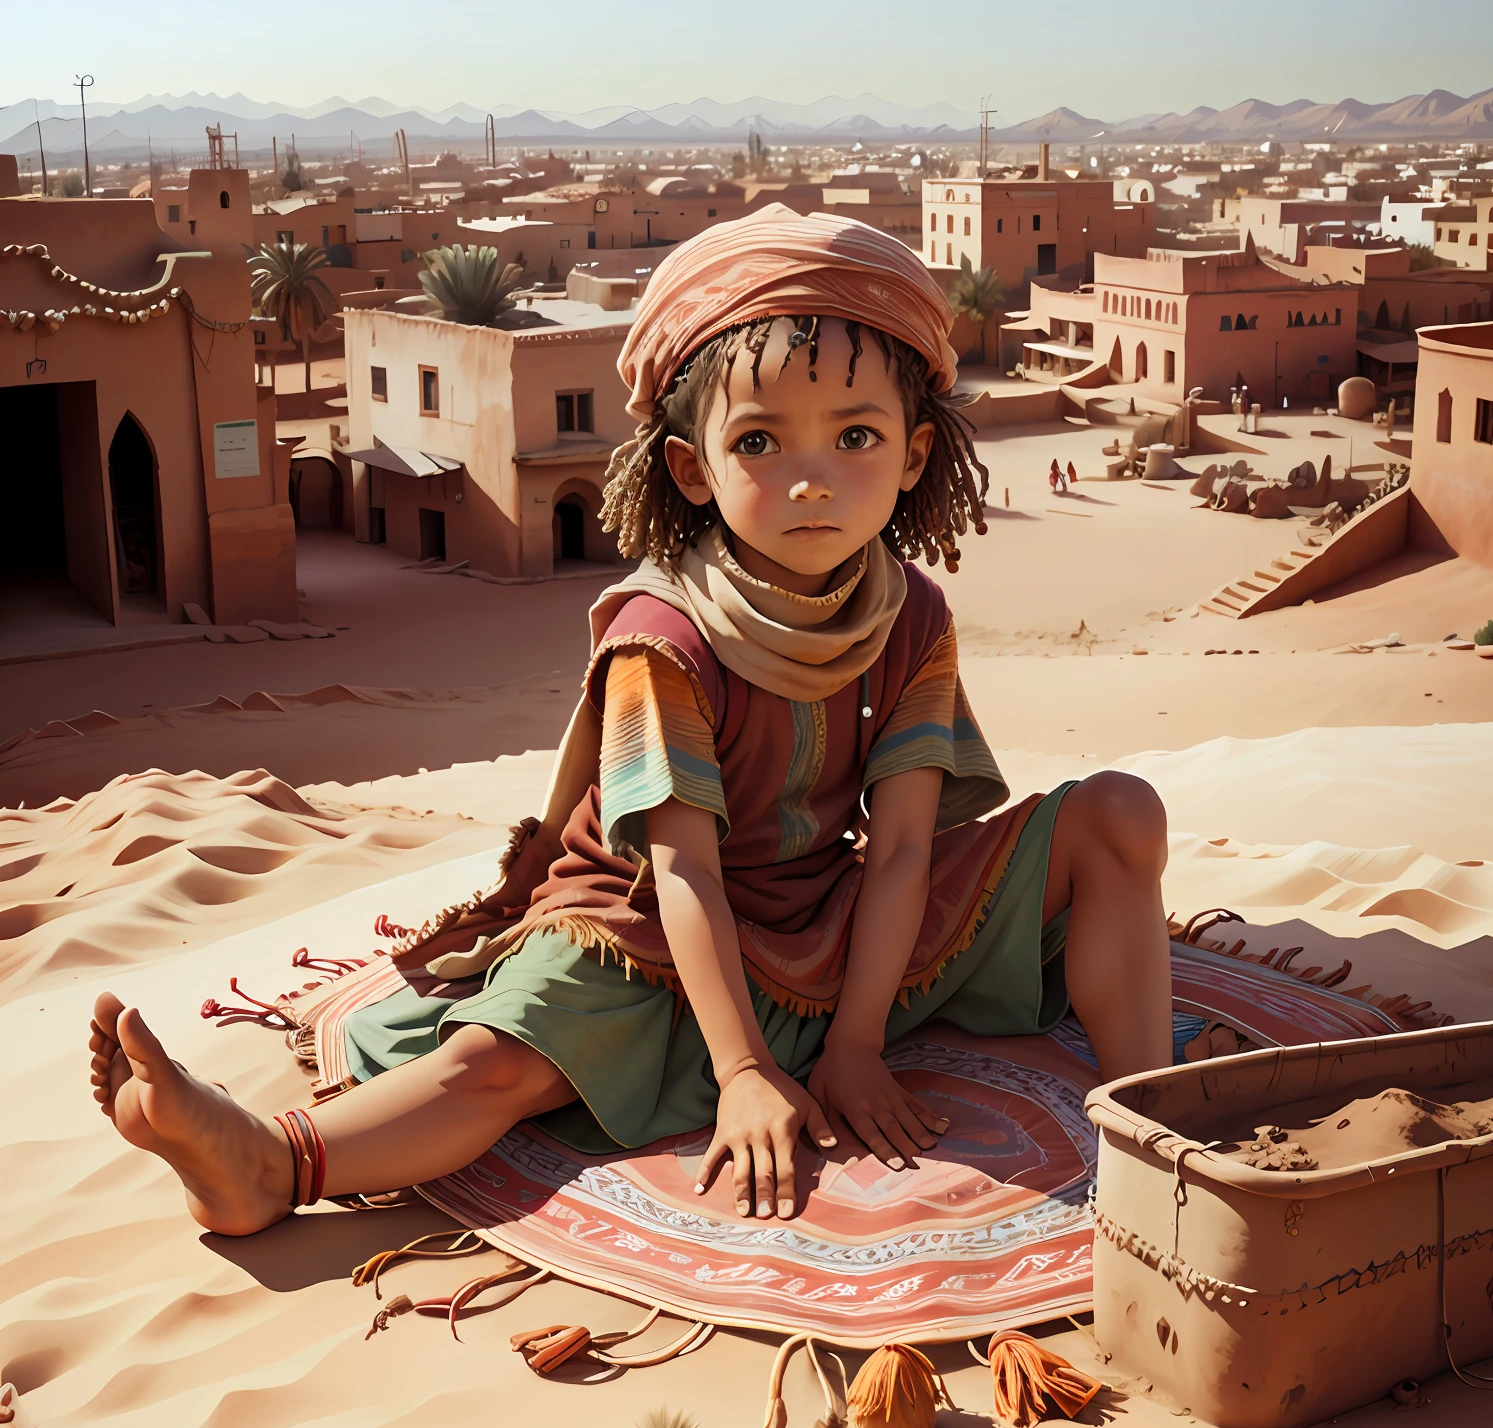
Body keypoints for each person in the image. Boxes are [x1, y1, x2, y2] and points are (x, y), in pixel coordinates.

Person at [88, 205, 1173, 1237]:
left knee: (1119, 815)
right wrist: (746, 1073)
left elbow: (899, 852)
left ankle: (1160, 1113)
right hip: (650, 925)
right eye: (760, 445)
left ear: (915, 456)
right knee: (502, 1065)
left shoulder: (909, 612)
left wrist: (852, 1045)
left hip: (835, 916)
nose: (812, 483)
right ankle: (269, 1162)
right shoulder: (667, 635)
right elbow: (686, 874)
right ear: (691, 469)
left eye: (855, 435)